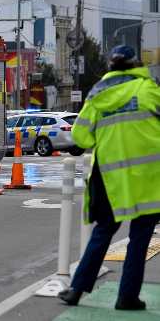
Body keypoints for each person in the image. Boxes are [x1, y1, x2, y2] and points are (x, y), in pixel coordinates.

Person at [58, 45, 160, 311]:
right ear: (136, 65)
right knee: (139, 238)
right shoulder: (149, 90)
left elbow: (81, 137)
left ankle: (76, 290)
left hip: (110, 179)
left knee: (102, 233)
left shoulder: (97, 94)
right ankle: (127, 297)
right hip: (148, 179)